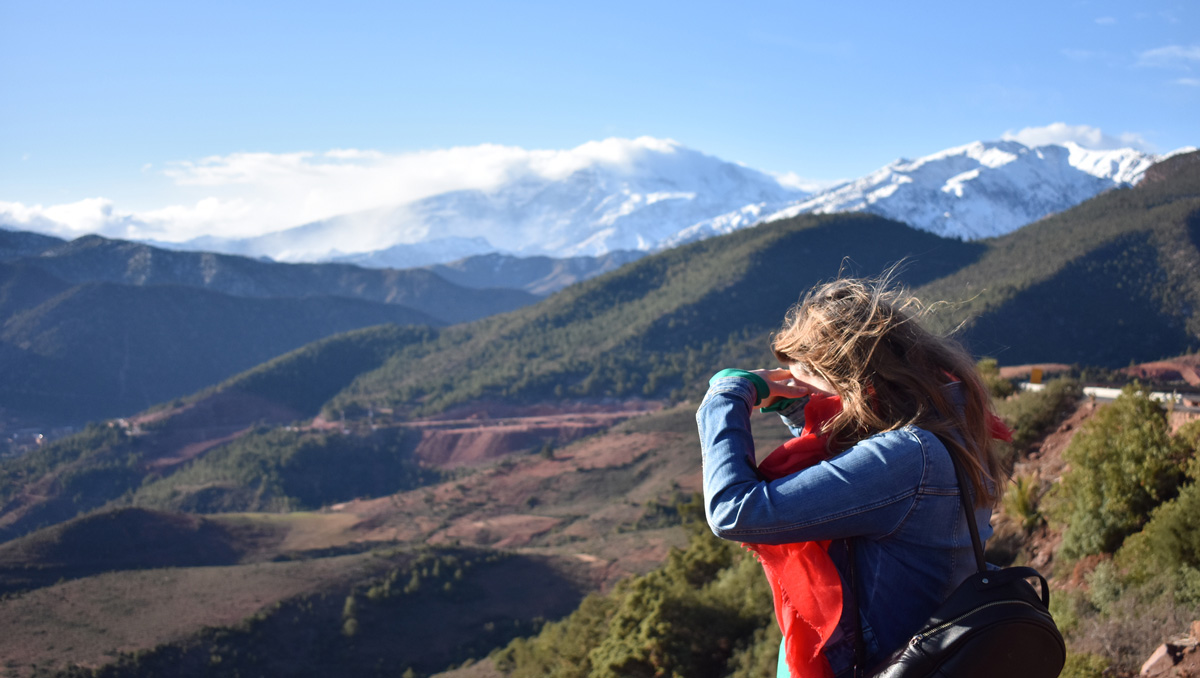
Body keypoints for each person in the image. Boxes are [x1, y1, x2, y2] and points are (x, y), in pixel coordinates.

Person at [696, 274, 1008, 678]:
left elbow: (734, 512)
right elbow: (858, 476)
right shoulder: (951, 419)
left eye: (812, 383)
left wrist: (725, 395)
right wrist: (798, 411)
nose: (808, 395)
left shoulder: (909, 457)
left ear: (849, 380)